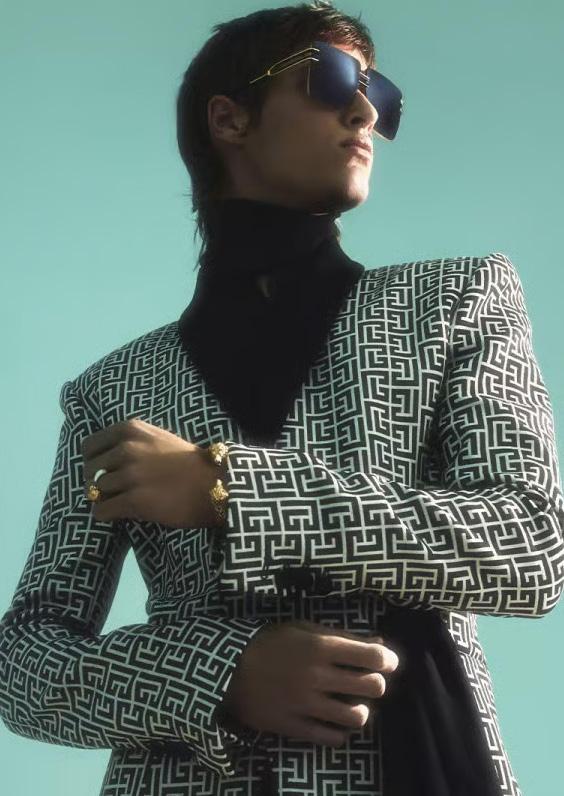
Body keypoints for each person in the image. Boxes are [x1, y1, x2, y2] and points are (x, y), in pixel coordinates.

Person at [1, 3, 563, 795]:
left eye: (380, 94)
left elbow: (531, 546)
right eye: (330, 79)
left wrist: (234, 490)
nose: (365, 112)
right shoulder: (113, 390)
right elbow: (24, 664)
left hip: (421, 766)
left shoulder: (453, 302)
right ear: (229, 118)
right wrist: (218, 673)